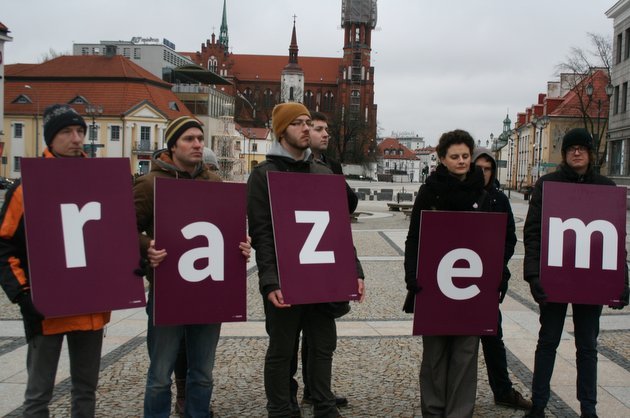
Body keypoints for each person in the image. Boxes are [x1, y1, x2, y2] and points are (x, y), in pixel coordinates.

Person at [247, 102, 365, 418]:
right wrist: (270, 280)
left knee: (323, 346)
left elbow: (338, 228)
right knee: (282, 350)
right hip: (286, 276)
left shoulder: (323, 172)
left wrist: (354, 270)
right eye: (298, 123)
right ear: (281, 129)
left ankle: (324, 406)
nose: (305, 127)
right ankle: (282, 408)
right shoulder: (263, 175)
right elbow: (262, 233)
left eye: (307, 122)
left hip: (322, 274)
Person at [134, 115, 250, 418]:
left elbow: (225, 226)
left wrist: (241, 244)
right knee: (160, 376)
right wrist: (148, 248)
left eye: (200, 138)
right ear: (173, 146)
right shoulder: (149, 184)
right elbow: (124, 230)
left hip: (209, 290)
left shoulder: (212, 181)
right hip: (167, 290)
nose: (198, 144)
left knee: (203, 373)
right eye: (189, 139)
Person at [0, 104, 110, 417]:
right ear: (51, 138)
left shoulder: (101, 182)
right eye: (66, 132)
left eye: (80, 131)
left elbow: (116, 235)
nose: (76, 138)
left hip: (91, 304)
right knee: (38, 396)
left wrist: (129, 267)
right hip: (46, 307)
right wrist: (22, 294)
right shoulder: (27, 187)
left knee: (85, 392)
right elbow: (3, 244)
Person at [523, 128, 629, 418]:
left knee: (587, 347)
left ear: (591, 153)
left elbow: (616, 240)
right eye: (572, 149)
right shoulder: (547, 185)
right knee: (547, 342)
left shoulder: (606, 187)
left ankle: (589, 409)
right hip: (556, 277)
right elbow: (533, 234)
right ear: (565, 154)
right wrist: (533, 275)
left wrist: (622, 279)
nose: (577, 153)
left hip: (590, 279)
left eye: (583, 148)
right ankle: (539, 405)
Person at [404, 129, 490, 418]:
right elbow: (415, 236)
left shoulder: (484, 191)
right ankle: (433, 411)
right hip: (434, 284)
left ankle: (459, 414)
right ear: (442, 158)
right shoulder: (430, 190)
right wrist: (411, 274)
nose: (462, 161)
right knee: (435, 356)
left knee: (466, 355)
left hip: (472, 285)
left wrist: (497, 277)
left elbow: (496, 240)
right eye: (455, 156)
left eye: (466, 155)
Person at [289, 112, 354, 412]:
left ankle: (317, 391)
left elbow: (347, 205)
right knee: (290, 338)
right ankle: (289, 391)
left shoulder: (331, 165)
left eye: (327, 129)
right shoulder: (293, 165)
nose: (325, 134)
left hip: (322, 256)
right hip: (297, 256)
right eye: (318, 129)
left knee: (320, 337)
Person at [472, 148, 532, 410]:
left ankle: (503, 390)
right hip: (459, 277)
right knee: (460, 341)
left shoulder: (499, 200)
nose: (483, 173)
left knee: (493, 337)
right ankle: (457, 393)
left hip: (489, 279)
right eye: (479, 167)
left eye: (488, 169)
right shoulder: (461, 196)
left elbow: (509, 238)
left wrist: (498, 266)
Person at [170, 146, 221, 417]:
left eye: (214, 169)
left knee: (202, 351)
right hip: (181, 276)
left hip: (210, 278)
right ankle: (182, 393)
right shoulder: (177, 192)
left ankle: (199, 398)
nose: (210, 174)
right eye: (208, 168)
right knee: (180, 345)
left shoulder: (217, 193)